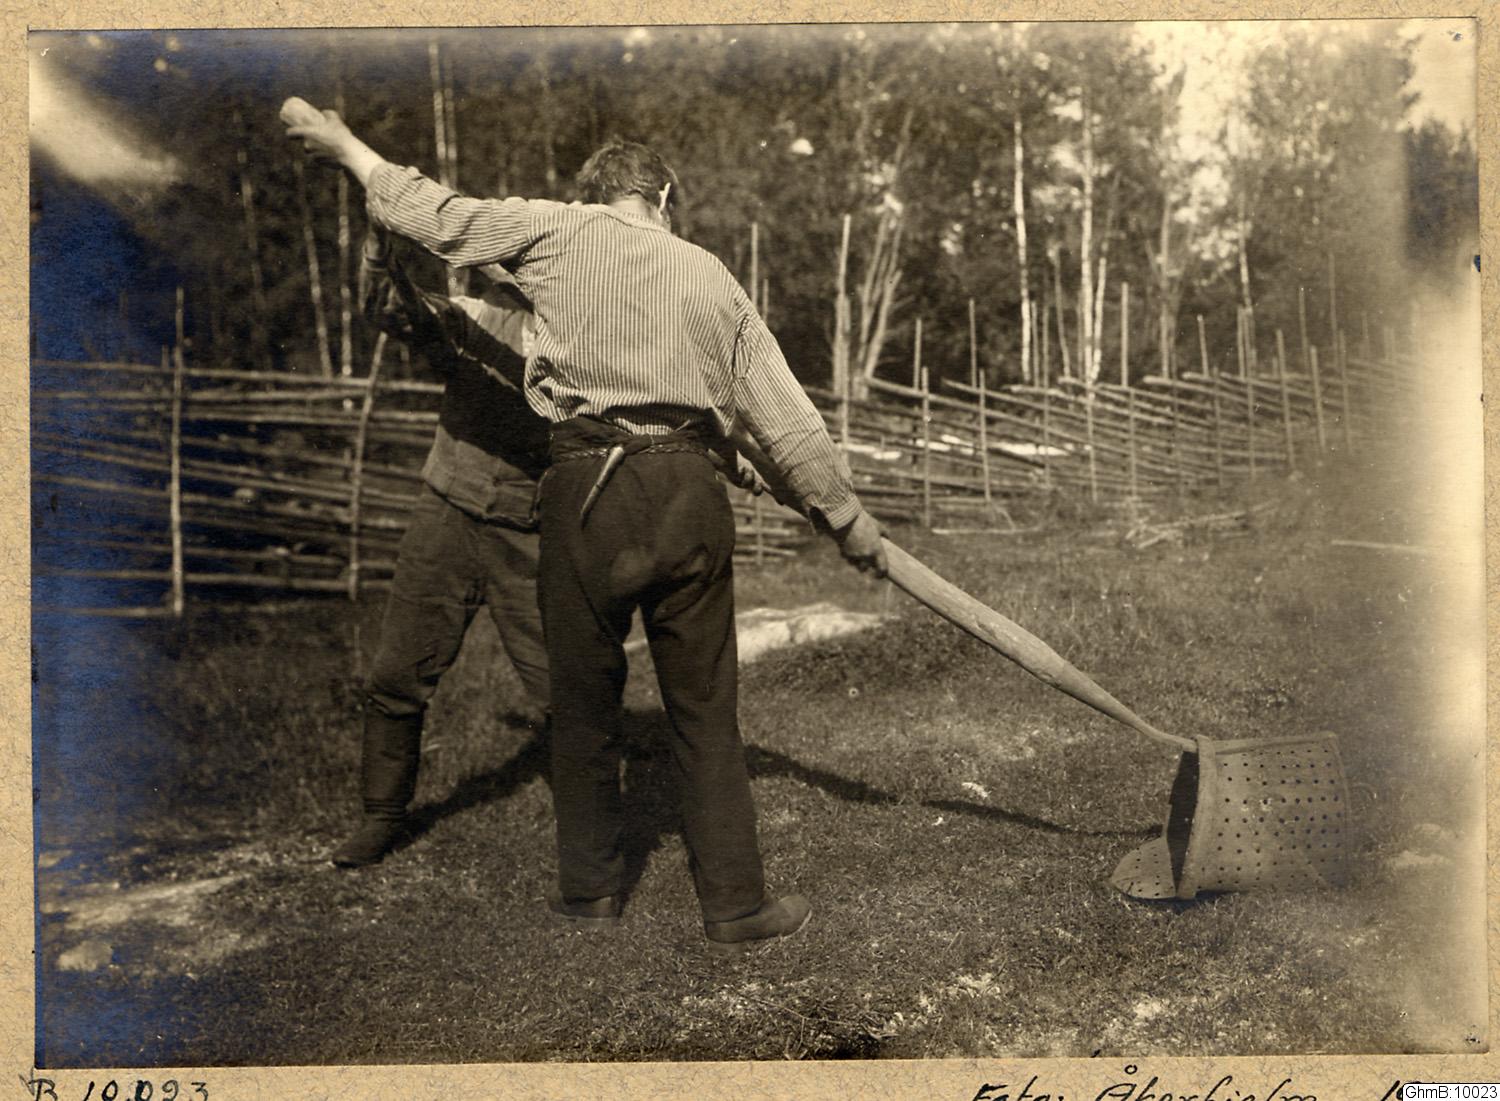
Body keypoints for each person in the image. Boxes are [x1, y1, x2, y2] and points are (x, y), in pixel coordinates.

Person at [288, 109, 887, 952]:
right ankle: (735, 905)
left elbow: (435, 212)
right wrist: (846, 517)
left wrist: (349, 150)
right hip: (681, 488)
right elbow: (781, 415)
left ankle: (591, 894)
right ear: (663, 197)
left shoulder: (552, 232)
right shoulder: (708, 272)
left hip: (582, 492)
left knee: (579, 706)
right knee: (704, 710)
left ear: (591, 194)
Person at [330, 223, 552, 868]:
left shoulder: (584, 340)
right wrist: (381, 248)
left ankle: (593, 814)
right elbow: (395, 309)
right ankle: (382, 815)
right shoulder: (471, 322)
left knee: (565, 686)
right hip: (447, 518)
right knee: (397, 674)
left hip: (531, 532)